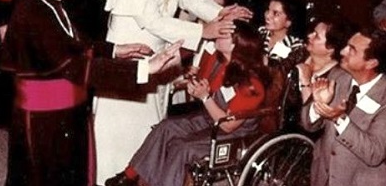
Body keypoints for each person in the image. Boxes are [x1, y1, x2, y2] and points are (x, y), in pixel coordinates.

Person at [0, 0, 183, 186]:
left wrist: (116, 50)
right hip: (45, 120)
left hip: (64, 112)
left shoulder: (49, 1)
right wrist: (145, 68)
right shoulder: (33, 14)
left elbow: (75, 44)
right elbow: (76, 65)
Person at [94, 0, 250, 185]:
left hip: (157, 54)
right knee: (120, 129)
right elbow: (151, 20)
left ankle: (143, 175)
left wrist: (220, 13)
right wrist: (203, 32)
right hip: (130, 57)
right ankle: (113, 176)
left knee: (151, 123)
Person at [105, 21, 266, 186]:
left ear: (235, 45)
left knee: (181, 147)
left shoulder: (251, 84)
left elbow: (227, 126)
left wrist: (204, 97)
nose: (218, 33)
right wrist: (193, 86)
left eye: (225, 34)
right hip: (212, 119)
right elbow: (205, 88)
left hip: (234, 134)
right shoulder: (218, 62)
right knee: (166, 127)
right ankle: (131, 176)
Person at [302, 28, 386, 186]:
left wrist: (339, 119)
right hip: (323, 177)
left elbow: (374, 153)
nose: (343, 51)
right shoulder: (337, 76)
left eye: (352, 49)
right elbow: (308, 124)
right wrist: (318, 107)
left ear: (371, 63)